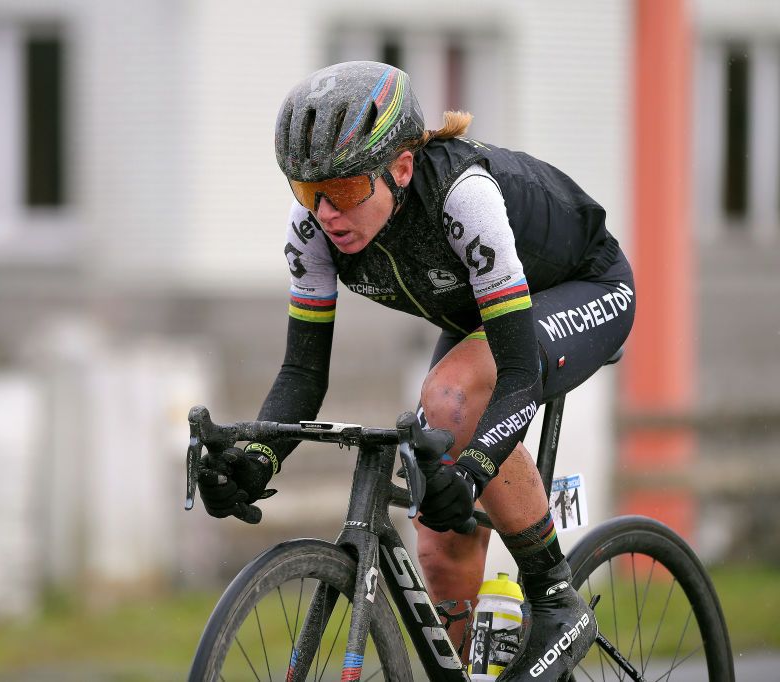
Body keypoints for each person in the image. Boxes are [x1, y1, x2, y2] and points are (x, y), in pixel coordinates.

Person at [197, 61, 634, 680]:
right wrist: (255, 459)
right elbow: (301, 374)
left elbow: (515, 374)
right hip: (483, 313)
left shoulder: (464, 197)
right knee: (439, 538)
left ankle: (556, 599)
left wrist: (476, 466)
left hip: (584, 287)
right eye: (305, 191)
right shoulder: (314, 232)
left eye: (344, 190)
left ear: (400, 167)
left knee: (450, 398)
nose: (325, 212)